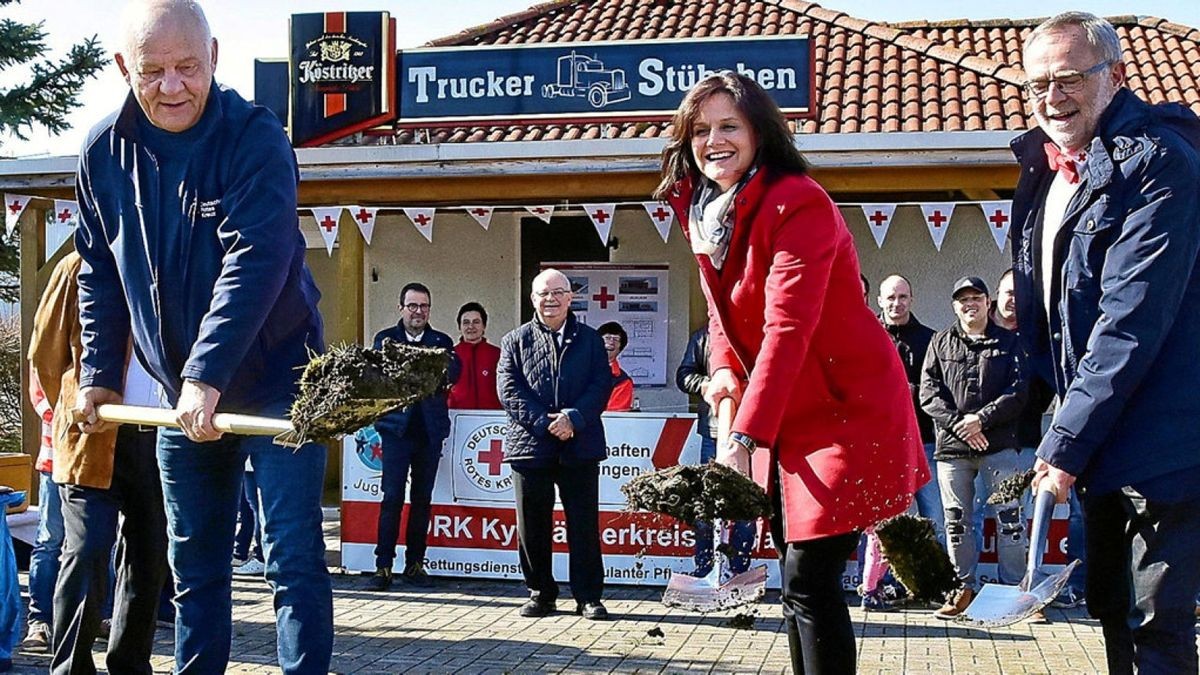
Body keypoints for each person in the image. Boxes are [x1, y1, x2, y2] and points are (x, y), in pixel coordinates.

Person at [71, 1, 333, 671]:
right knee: (194, 569)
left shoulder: (256, 137)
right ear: (124, 67)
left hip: (281, 384)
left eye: (188, 67)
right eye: (153, 71)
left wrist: (207, 374)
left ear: (214, 56)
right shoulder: (103, 153)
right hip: (178, 393)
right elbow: (98, 268)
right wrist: (99, 371)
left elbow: (259, 257)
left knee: (292, 559)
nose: (173, 86)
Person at [655, 71, 928, 673]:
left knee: (810, 576)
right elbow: (724, 318)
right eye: (700, 130)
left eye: (730, 126)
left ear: (760, 133)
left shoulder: (797, 200)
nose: (713, 141)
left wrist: (744, 438)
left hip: (845, 407)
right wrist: (724, 378)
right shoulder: (704, 212)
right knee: (795, 580)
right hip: (787, 411)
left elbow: (787, 327)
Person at [1012, 12, 1200, 671]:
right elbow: (1051, 317)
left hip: (1165, 447)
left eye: (1068, 78)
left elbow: (1130, 321)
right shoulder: (1047, 170)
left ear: (1116, 77)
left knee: (1158, 632)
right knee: (1112, 613)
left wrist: (1062, 442)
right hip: (1100, 443)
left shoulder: (1161, 163)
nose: (1051, 97)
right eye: (1036, 85)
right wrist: (1023, 408)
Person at [28, 251, 170, 675]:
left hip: (157, 434)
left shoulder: (168, 256)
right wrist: (70, 407)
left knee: (148, 555)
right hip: (91, 435)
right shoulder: (77, 265)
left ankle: (130, 663)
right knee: (86, 548)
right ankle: (69, 666)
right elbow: (44, 351)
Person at [497, 269, 612, 621]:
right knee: (532, 525)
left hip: (580, 444)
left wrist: (573, 419)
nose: (550, 300)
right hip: (531, 444)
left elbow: (600, 386)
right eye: (543, 294)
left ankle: (588, 596)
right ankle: (541, 593)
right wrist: (544, 422)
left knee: (583, 523)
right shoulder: (514, 341)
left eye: (558, 292)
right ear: (533, 299)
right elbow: (508, 389)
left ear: (570, 297)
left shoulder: (591, 340)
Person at [920, 276, 1029, 619]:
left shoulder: (1011, 343)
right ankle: (962, 590)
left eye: (976, 298)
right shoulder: (939, 343)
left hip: (998, 447)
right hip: (952, 452)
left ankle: (1014, 594)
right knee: (956, 522)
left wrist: (981, 419)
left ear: (988, 302)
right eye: (962, 299)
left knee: (1011, 520)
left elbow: (1018, 392)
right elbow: (928, 393)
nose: (970, 304)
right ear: (955, 305)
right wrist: (960, 425)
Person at [993, 269, 1084, 608]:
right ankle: (1027, 578)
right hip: (1016, 441)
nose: (1013, 301)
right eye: (1008, 293)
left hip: (1049, 435)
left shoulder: (1044, 339)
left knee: (1078, 513)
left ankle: (1076, 584)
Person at [369, 282, 459, 590]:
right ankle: (383, 566)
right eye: (413, 306)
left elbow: (452, 373)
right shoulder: (385, 340)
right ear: (401, 308)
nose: (418, 312)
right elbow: (384, 378)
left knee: (422, 500)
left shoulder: (442, 341)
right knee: (392, 498)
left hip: (429, 433)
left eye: (423, 306)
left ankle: (415, 564)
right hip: (396, 432)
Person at [675, 325, 755, 577]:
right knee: (708, 502)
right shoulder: (703, 337)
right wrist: (707, 385)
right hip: (713, 431)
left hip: (752, 433)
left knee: (747, 503)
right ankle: (705, 567)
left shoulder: (759, 332)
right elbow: (684, 375)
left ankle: (739, 568)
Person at [877, 274, 942, 543]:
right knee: (883, 522)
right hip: (881, 445)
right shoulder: (867, 338)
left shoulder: (932, 340)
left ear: (912, 300)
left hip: (925, 442)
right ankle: (878, 584)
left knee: (935, 516)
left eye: (903, 297)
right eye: (891, 297)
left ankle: (938, 582)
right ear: (879, 300)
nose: (897, 303)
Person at [20, 369, 62, 654]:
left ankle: (100, 616)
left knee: (102, 543)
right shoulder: (49, 336)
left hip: (100, 459)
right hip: (56, 458)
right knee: (49, 542)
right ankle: (39, 620)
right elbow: (41, 397)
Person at [447, 302, 501, 410]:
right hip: (457, 416)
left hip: (491, 418)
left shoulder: (497, 355)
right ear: (459, 327)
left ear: (484, 326)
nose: (471, 327)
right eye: (466, 322)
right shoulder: (450, 355)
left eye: (476, 322)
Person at [597, 321, 634, 412]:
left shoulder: (622, 381)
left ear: (620, 349)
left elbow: (613, 416)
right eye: (607, 337)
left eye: (616, 339)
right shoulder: (576, 369)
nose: (611, 342)